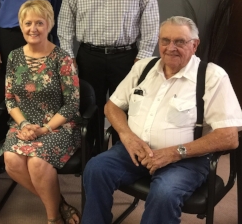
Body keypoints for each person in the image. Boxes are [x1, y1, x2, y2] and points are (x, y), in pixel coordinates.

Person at [81, 16, 242, 224]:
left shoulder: (212, 77)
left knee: (164, 193)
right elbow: (112, 106)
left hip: (186, 159)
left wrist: (174, 153)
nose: (170, 47)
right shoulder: (144, 68)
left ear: (195, 45)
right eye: (165, 40)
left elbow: (229, 137)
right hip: (134, 150)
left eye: (180, 42)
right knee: (95, 169)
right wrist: (127, 136)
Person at [58, 0, 160, 151]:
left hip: (126, 58)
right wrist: (67, 56)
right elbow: (65, 21)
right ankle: (92, 156)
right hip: (88, 57)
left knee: (126, 110)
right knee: (89, 108)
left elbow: (151, 19)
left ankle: (120, 155)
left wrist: (143, 57)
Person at [2, 0, 82, 224]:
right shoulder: (14, 57)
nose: (33, 28)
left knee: (37, 162)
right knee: (12, 160)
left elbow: (72, 104)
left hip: (58, 126)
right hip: (24, 125)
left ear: (49, 24)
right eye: (28, 23)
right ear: (21, 25)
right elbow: (9, 100)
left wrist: (45, 128)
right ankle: (61, 204)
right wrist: (24, 125)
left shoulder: (63, 58)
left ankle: (52, 218)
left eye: (39, 22)